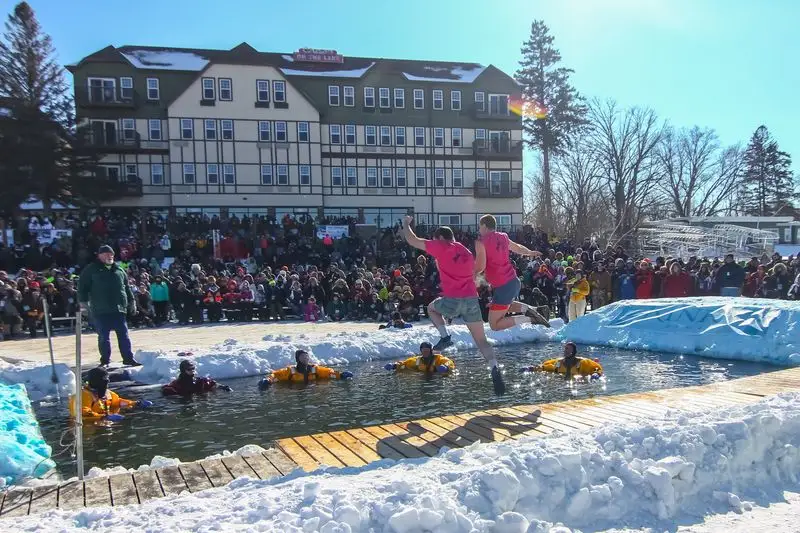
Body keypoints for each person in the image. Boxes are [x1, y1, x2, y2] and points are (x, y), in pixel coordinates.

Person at [400, 216, 506, 394]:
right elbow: (477, 271)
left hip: (452, 299)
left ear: (440, 238)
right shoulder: (466, 251)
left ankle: (445, 337)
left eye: (435, 239)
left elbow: (412, 240)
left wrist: (405, 224)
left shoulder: (441, 246)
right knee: (481, 341)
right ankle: (494, 366)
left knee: (431, 308)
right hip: (472, 300)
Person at [473, 215, 549, 331]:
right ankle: (537, 310)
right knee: (502, 307)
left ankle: (530, 318)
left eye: (480, 226)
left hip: (504, 285)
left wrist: (471, 276)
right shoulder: (503, 237)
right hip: (512, 281)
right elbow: (517, 248)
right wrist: (530, 252)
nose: (479, 229)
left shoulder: (481, 242)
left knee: (494, 324)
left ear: (484, 225)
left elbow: (481, 266)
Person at [77, 245, 141, 367]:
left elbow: (126, 288)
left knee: (124, 335)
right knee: (103, 337)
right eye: (106, 254)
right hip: (100, 309)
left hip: (119, 309)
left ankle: (128, 358)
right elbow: (82, 288)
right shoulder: (91, 270)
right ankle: (105, 360)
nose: (109, 256)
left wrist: (132, 302)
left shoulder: (119, 270)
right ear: (99, 256)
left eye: (111, 254)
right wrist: (83, 304)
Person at [69, 366, 152, 420]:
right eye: (104, 382)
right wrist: (104, 417)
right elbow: (82, 413)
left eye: (107, 382)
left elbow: (118, 402)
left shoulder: (107, 393)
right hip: (86, 430)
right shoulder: (83, 395)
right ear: (96, 382)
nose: (106, 385)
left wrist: (136, 403)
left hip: (102, 424)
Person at [258, 349, 353, 389]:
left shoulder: (314, 369)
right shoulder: (290, 371)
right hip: (295, 391)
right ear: (297, 359)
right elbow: (276, 375)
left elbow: (328, 373)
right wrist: (268, 380)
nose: (306, 359)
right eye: (303, 357)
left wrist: (340, 375)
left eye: (307, 357)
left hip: (311, 390)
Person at [521, 342, 603, 380]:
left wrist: (596, 373)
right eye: (565, 349)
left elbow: (595, 367)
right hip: (563, 381)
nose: (565, 351)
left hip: (580, 383)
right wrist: (532, 368)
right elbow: (546, 367)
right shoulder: (559, 363)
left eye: (568, 349)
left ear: (574, 351)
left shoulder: (582, 362)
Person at [162, 359, 232, 395]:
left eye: (193, 368)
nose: (192, 371)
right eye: (189, 369)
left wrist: (223, 387)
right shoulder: (177, 383)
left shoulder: (200, 380)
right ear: (183, 370)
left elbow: (213, 384)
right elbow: (167, 390)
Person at [384, 341, 455, 373]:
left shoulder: (438, 358)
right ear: (421, 351)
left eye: (427, 350)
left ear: (431, 350)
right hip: (423, 378)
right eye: (423, 350)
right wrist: (394, 365)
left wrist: (446, 367)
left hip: (437, 379)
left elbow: (449, 362)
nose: (425, 352)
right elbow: (405, 363)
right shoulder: (417, 360)